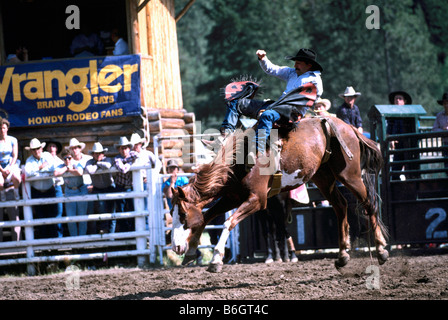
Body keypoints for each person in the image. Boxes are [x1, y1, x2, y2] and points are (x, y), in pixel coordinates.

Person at [218, 48, 323, 155]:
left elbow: (313, 97)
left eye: (298, 63)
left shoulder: (315, 80)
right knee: (237, 103)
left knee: (267, 115)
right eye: (295, 63)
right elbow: (272, 69)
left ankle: (258, 150)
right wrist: (263, 59)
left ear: (309, 65)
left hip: (292, 112)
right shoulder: (292, 72)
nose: (295, 65)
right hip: (277, 106)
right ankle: (226, 135)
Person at [24, 138, 58, 239]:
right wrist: (40, 167)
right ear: (31, 151)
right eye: (33, 149)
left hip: (50, 191)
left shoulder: (47, 155)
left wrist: (37, 171)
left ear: (41, 148)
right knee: (40, 218)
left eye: (38, 148)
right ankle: (44, 245)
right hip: (37, 192)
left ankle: (53, 245)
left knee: (52, 218)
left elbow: (52, 168)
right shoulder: (29, 160)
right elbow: (27, 172)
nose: (36, 151)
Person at [85, 142, 116, 234]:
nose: (98, 155)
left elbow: (108, 166)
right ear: (93, 154)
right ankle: (105, 231)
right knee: (102, 210)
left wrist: (97, 164)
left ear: (103, 153)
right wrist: (99, 164)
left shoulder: (108, 159)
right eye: (96, 153)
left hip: (110, 187)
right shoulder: (89, 162)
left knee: (112, 212)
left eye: (100, 153)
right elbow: (90, 170)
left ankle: (112, 236)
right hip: (98, 188)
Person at [54, 149, 87, 237]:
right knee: (70, 218)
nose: (67, 160)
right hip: (69, 191)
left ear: (72, 158)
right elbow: (56, 173)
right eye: (65, 158)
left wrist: (70, 170)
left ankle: (82, 240)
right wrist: (67, 168)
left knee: (82, 217)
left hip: (81, 190)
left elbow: (80, 172)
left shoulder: (77, 164)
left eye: (69, 158)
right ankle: (74, 241)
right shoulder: (61, 166)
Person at [114, 136, 138, 232]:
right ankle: (124, 232)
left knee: (133, 208)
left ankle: (133, 230)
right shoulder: (117, 158)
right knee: (121, 210)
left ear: (129, 148)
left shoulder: (132, 155)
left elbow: (138, 156)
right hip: (120, 187)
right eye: (122, 148)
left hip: (130, 187)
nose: (124, 150)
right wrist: (130, 163)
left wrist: (129, 160)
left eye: (125, 148)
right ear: (119, 149)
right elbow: (122, 169)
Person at [45, 140, 64, 237]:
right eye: (50, 146)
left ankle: (59, 239)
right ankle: (50, 239)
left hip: (57, 188)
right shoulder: (44, 161)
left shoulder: (61, 162)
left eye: (54, 146)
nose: (52, 148)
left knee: (58, 213)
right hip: (46, 188)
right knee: (48, 214)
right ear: (47, 149)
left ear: (56, 149)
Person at [0, 118, 21, 201]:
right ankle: (2, 194)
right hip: (0, 166)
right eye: (0, 128)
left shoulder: (13, 140)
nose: (2, 130)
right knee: (0, 183)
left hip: (10, 164)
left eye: (4, 128)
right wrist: (2, 170)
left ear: (7, 128)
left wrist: (10, 167)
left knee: (16, 177)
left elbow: (15, 155)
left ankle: (16, 191)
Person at [432, 92, 448, 168]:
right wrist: (443, 130)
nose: (446, 105)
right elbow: (434, 129)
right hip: (445, 143)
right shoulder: (439, 115)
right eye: (445, 103)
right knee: (446, 166)